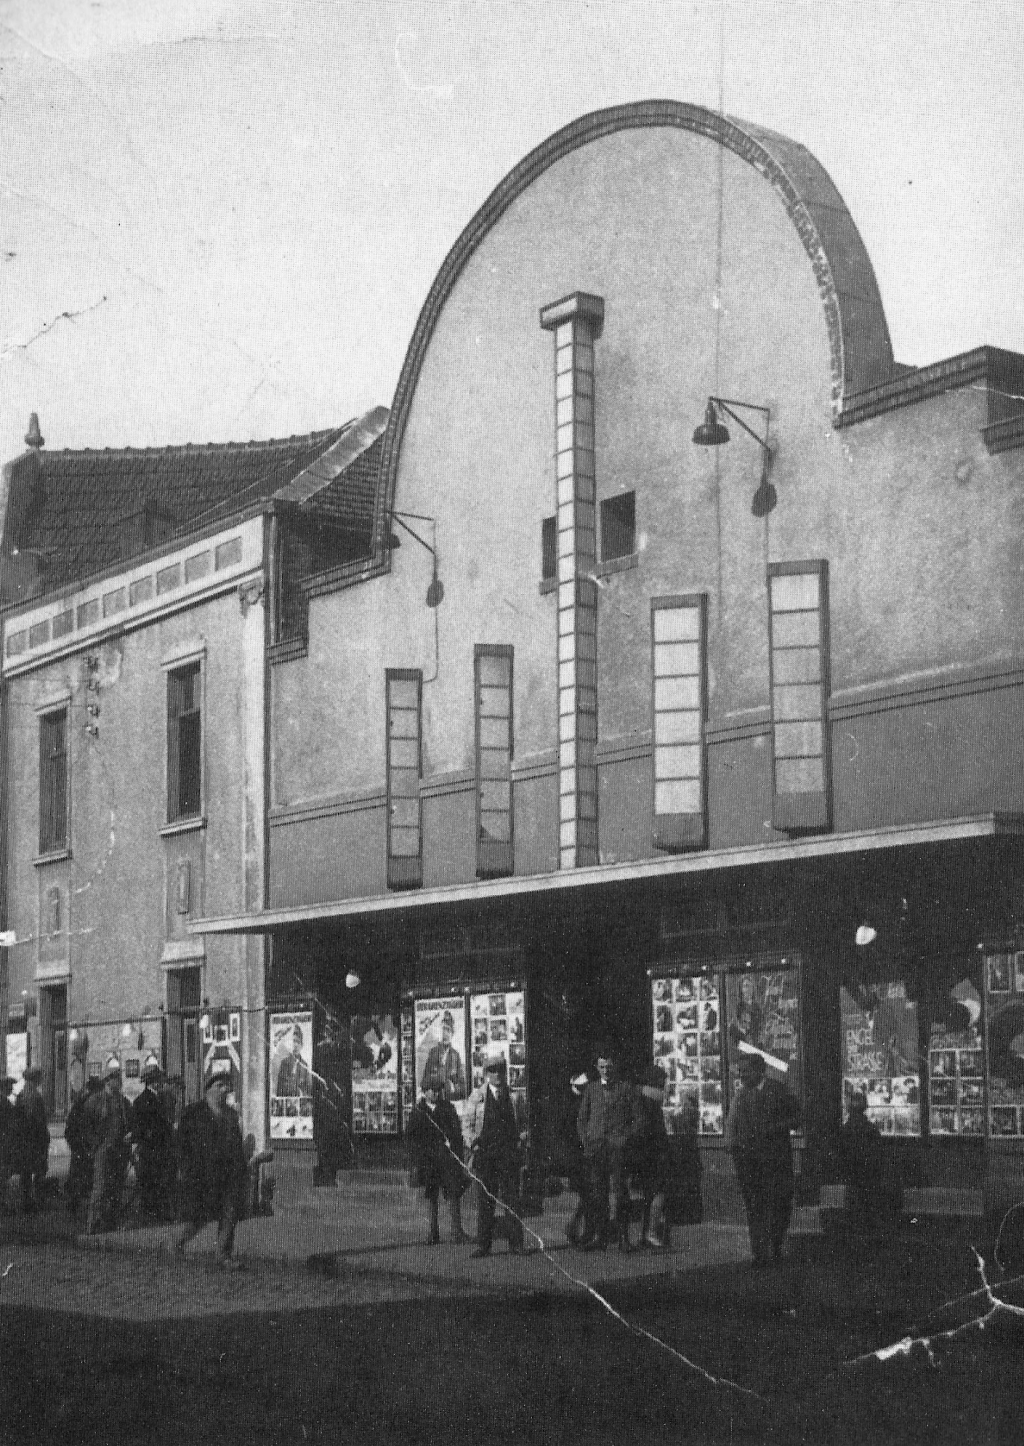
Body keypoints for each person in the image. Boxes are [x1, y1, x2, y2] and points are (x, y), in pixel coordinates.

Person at [724, 1052, 800, 1267]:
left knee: (778, 1204)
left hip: (775, 1160)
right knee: (754, 1206)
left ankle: (775, 1247)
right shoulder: (740, 1096)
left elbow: (796, 1120)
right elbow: (733, 1123)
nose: (741, 1076)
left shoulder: (779, 1091)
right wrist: (733, 1144)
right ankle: (759, 1253)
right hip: (749, 1161)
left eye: (745, 1071)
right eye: (740, 1071)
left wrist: (774, 1128)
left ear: (760, 1070)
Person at [175, 1071, 249, 1268]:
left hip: (227, 1174)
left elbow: (236, 1145)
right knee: (200, 1217)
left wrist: (241, 1170)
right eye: (219, 1086)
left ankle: (222, 1255)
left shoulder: (231, 1115)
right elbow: (182, 1144)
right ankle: (177, 1243)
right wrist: (184, 1169)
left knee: (229, 1214)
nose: (224, 1090)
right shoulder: (193, 1113)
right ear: (208, 1090)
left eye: (226, 1086)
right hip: (203, 1174)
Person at [464, 1054, 527, 1257]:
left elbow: (524, 1123)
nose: (497, 1075)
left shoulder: (515, 1097)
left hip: (508, 1155)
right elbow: (467, 1125)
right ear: (486, 1075)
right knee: (486, 1200)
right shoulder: (477, 1097)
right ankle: (484, 1245)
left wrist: (523, 1138)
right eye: (493, 1071)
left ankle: (516, 1244)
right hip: (486, 1155)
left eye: (500, 1071)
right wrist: (473, 1143)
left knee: (512, 1200)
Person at [576, 1045, 638, 1252]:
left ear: (615, 1067)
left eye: (609, 1067)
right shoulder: (592, 1089)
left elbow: (639, 1119)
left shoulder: (625, 1088)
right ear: (597, 1068)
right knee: (598, 1193)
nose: (606, 1071)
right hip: (596, 1149)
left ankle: (623, 1238)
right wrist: (587, 1140)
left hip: (617, 1149)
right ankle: (600, 1237)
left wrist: (624, 1138)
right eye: (602, 1067)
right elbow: (582, 1119)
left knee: (620, 1192)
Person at [406, 1080, 468, 1244]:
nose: (434, 1093)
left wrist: (458, 1157)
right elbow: (411, 1138)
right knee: (431, 1196)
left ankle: (457, 1232)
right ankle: (433, 1233)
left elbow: (456, 1134)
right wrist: (416, 1160)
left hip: (447, 1159)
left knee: (452, 1194)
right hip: (428, 1160)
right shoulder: (418, 1111)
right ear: (424, 1091)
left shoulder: (448, 1108)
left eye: (437, 1090)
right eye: (431, 1090)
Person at [837, 1091, 902, 1231]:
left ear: (848, 1108)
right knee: (869, 1208)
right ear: (865, 1107)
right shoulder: (871, 1129)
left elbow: (841, 1153)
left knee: (854, 1207)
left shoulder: (845, 1129)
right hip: (870, 1175)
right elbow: (879, 1153)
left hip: (852, 1175)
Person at [83, 1062, 131, 1233]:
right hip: (103, 1150)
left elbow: (129, 1124)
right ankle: (93, 1225)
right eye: (116, 1078)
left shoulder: (123, 1102)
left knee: (117, 1187)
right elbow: (85, 1126)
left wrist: (129, 1136)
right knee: (100, 1188)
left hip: (120, 1150)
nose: (120, 1081)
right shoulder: (95, 1101)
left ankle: (112, 1223)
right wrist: (94, 1146)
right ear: (108, 1081)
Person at [632, 1064, 671, 1249]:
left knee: (648, 1194)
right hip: (655, 1153)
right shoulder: (653, 1103)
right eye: (663, 1081)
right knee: (659, 1192)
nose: (665, 1085)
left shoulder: (641, 1099)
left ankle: (645, 1233)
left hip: (643, 1153)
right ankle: (651, 1232)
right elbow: (652, 1129)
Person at [132, 1064, 176, 1220]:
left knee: (161, 1183)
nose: (161, 1082)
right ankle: (149, 1217)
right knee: (149, 1183)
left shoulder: (161, 1098)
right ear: (151, 1081)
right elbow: (139, 1128)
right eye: (158, 1079)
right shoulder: (141, 1101)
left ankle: (158, 1215)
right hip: (150, 1150)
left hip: (162, 1148)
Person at [64, 1076, 103, 1220]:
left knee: (79, 1175)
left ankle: (75, 1203)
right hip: (83, 1145)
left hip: (80, 1145)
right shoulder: (89, 1103)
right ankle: (77, 1205)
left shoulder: (82, 1101)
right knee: (83, 1176)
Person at [12, 1067, 50, 1213]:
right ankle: (35, 1201)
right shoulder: (33, 1095)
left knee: (26, 1172)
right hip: (35, 1140)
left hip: (25, 1139)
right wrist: (43, 1137)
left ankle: (27, 1200)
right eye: (40, 1077)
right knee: (39, 1169)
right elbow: (36, 1120)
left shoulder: (22, 1094)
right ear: (36, 1078)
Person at [420, 1011, 466, 1102]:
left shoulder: (455, 1055)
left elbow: (463, 1086)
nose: (445, 1034)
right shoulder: (433, 1052)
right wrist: (428, 1090)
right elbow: (424, 1082)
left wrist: (453, 1087)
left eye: (448, 1030)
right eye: (443, 1030)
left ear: (452, 1034)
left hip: (450, 1101)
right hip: (435, 1102)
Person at [728, 974, 764, 1050]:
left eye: (750, 986)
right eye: (745, 986)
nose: (748, 989)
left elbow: (761, 1026)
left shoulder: (757, 1007)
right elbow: (733, 1027)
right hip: (742, 1046)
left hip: (755, 1045)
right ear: (741, 989)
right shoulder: (738, 1007)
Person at [275, 1025, 312, 1097]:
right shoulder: (284, 1063)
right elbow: (280, 1089)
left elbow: (307, 1089)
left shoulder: (304, 1065)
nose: (296, 1045)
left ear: (302, 1045)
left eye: (298, 1042)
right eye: (294, 1041)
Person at [0, 1075, 15, 1211]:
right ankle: (4, 1204)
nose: (12, 1088)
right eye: (10, 1086)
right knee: (3, 1174)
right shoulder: (4, 1102)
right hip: (4, 1143)